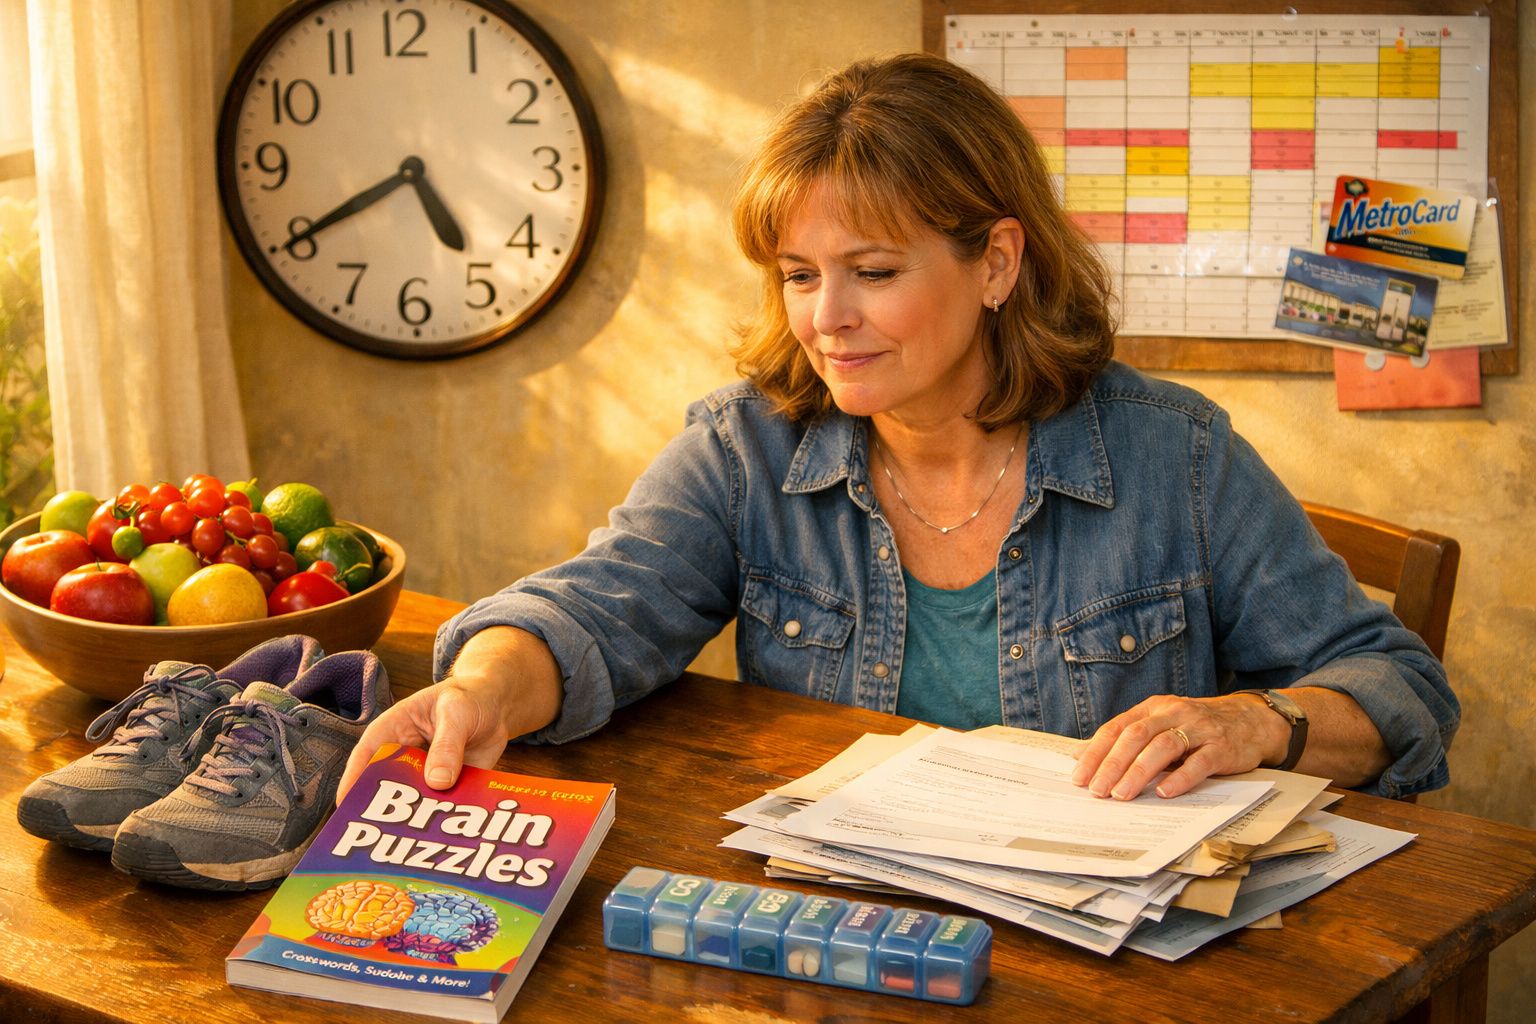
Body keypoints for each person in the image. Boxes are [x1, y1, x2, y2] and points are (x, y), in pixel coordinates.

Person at [339, 53, 1457, 806]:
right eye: (799, 274)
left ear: (998, 263)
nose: (826, 318)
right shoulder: (747, 448)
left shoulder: (1179, 455)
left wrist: (1259, 723)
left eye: (873, 272)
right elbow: (591, 610)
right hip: (851, 933)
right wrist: (481, 686)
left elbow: (1401, 690)